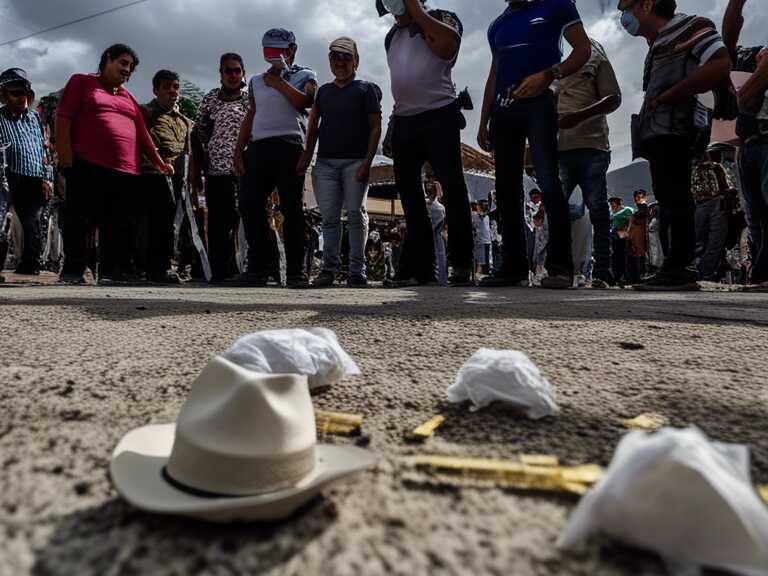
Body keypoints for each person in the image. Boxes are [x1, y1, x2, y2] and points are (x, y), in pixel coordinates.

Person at [618, 0, 732, 290]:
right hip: (658, 131)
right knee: (668, 197)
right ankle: (674, 266)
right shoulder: (656, 44)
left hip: (677, 128)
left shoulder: (692, 26)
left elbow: (720, 63)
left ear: (647, 4)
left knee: (676, 196)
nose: (623, 15)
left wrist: (671, 95)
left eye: (626, 7)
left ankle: (679, 267)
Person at [478, 0, 592, 289]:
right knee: (505, 187)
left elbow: (582, 50)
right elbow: (494, 72)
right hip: (504, 110)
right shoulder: (498, 24)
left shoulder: (558, 6)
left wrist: (547, 76)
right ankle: (513, 265)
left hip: (540, 105)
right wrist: (483, 119)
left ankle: (560, 267)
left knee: (548, 181)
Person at [55, 44, 173, 285]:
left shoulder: (127, 97)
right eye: (123, 63)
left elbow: (142, 133)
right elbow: (63, 117)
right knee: (79, 217)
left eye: (130, 68)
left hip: (126, 170)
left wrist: (159, 163)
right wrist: (65, 157)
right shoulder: (82, 82)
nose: (127, 70)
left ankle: (111, 272)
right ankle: (73, 270)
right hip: (87, 162)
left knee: (118, 222)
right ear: (107, 59)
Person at [377, 0, 474, 287]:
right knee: (410, 195)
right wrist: (392, 126)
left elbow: (448, 47)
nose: (395, 18)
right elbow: (402, 79)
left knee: (453, 187)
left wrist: (417, 12)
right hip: (405, 119)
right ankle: (421, 269)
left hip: (440, 115)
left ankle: (460, 265)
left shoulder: (442, 18)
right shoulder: (391, 37)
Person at [235, 29, 317, 289]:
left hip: (289, 145)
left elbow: (306, 101)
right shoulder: (256, 81)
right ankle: (259, 266)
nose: (278, 54)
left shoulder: (305, 74)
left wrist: (280, 82)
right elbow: (251, 113)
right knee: (249, 204)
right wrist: (238, 150)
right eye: (270, 50)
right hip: (258, 147)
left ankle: (296, 271)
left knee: (292, 209)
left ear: (293, 49)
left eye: (282, 49)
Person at [298, 37, 382, 288]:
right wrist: (306, 156)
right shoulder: (323, 91)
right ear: (329, 62)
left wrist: (367, 163)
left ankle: (357, 271)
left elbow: (375, 128)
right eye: (335, 57)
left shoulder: (367, 89)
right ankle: (328, 270)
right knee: (330, 218)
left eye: (346, 57)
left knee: (357, 214)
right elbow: (313, 128)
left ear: (356, 60)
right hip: (325, 164)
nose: (341, 62)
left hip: (356, 163)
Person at [556, 38, 622, 289]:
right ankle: (560, 270)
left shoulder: (595, 55)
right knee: (558, 212)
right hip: (561, 149)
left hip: (593, 147)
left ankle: (603, 272)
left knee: (598, 209)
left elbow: (613, 98)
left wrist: (579, 116)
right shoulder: (551, 57)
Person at [192, 53, 250, 283]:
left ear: (243, 73)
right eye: (228, 71)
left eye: (237, 70)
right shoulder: (211, 99)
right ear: (221, 74)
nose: (233, 75)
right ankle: (219, 272)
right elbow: (197, 134)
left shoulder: (250, 100)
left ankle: (250, 270)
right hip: (216, 172)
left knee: (245, 222)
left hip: (245, 171)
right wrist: (199, 166)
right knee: (218, 224)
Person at [723, 0, 768, 287]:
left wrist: (745, 97)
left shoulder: (752, 55)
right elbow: (728, 31)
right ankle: (761, 272)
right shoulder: (724, 63)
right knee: (755, 214)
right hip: (747, 143)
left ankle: (763, 271)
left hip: (766, 137)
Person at [138, 70, 193, 284]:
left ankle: (176, 265)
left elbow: (190, 150)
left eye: (176, 86)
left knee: (179, 224)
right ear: (156, 90)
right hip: (152, 176)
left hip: (180, 178)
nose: (173, 91)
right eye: (167, 86)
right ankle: (152, 268)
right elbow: (140, 143)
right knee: (154, 224)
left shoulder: (185, 121)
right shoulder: (146, 112)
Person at [0, 68, 53, 276]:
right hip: (6, 175)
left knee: (33, 222)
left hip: (33, 177)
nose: (21, 98)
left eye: (24, 93)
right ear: (4, 95)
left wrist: (47, 178)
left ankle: (30, 264)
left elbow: (44, 149)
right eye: (15, 93)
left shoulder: (35, 119)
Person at [691, 150, 732, 280]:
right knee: (706, 242)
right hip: (705, 205)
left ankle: (704, 273)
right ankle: (704, 273)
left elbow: (725, 187)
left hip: (711, 204)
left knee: (710, 241)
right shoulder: (696, 168)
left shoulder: (714, 167)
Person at [610, 197, 634, 284]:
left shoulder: (627, 210)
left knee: (623, 257)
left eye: (614, 206)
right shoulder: (613, 214)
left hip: (623, 236)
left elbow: (631, 220)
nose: (613, 209)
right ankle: (617, 277)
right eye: (612, 207)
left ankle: (624, 277)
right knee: (616, 257)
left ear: (619, 205)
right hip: (615, 237)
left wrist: (627, 231)